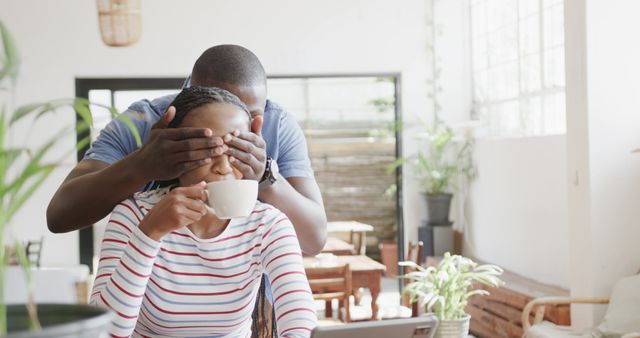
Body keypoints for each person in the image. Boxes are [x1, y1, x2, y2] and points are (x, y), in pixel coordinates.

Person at [47, 45, 327, 255]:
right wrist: (141, 165)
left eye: (250, 115)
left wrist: (266, 179)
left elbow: (314, 240)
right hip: (151, 297)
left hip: (245, 300)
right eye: (220, 114)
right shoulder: (142, 121)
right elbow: (59, 216)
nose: (236, 130)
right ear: (190, 94)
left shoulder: (277, 125)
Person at [90, 86, 317, 338]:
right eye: (207, 151)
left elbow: (301, 324)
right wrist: (150, 233)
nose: (223, 167)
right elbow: (102, 333)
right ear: (176, 151)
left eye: (236, 149)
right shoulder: (133, 215)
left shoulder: (268, 224)